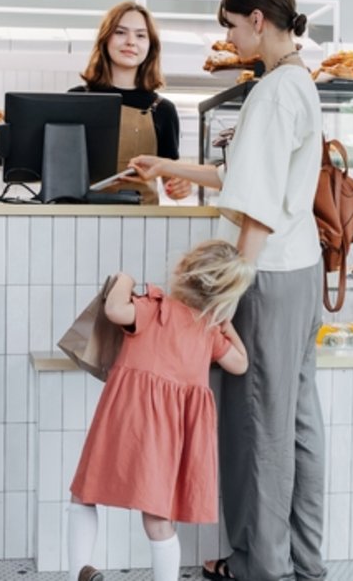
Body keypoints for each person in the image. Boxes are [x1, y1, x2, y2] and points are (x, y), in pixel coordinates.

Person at [130, 0, 326, 581]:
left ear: (258, 20)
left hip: (266, 277)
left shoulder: (271, 93)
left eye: (232, 26)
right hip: (302, 272)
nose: (231, 37)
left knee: (256, 426)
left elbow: (258, 205)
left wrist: (231, 282)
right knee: (295, 422)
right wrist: (167, 163)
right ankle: (303, 563)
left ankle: (258, 567)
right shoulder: (299, 84)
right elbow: (244, 176)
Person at [68, 240, 254, 581]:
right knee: (157, 518)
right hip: (172, 435)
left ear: (182, 268)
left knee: (84, 494)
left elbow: (113, 310)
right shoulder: (208, 331)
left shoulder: (153, 308)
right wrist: (227, 326)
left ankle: (77, 573)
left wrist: (124, 277)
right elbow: (240, 364)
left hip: (128, 420)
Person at [70, 1, 190, 204]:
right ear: (105, 39)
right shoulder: (75, 100)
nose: (131, 42)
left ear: (150, 46)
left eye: (141, 35)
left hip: (141, 224)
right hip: (81, 217)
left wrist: (180, 186)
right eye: (120, 32)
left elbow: (171, 179)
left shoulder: (163, 109)